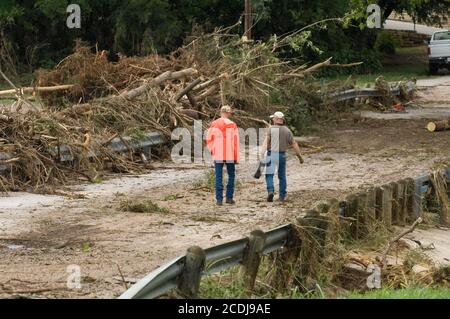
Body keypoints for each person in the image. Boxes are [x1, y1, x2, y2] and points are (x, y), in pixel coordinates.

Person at [260, 111, 303, 202]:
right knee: (282, 176)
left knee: (269, 175)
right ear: (282, 120)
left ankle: (270, 191)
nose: (272, 120)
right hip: (282, 155)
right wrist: (299, 157)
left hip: (272, 154)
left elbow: (265, 142)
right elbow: (294, 144)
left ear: (276, 119)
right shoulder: (287, 130)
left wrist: (262, 153)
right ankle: (282, 196)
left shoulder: (271, 129)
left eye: (273, 118)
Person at [206, 105, 240, 206]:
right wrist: (236, 156)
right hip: (229, 153)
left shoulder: (214, 124)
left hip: (218, 153)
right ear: (229, 113)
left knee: (218, 176)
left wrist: (212, 149)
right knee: (231, 175)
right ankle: (229, 198)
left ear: (221, 112)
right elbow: (235, 141)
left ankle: (219, 200)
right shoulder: (233, 125)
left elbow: (209, 139)